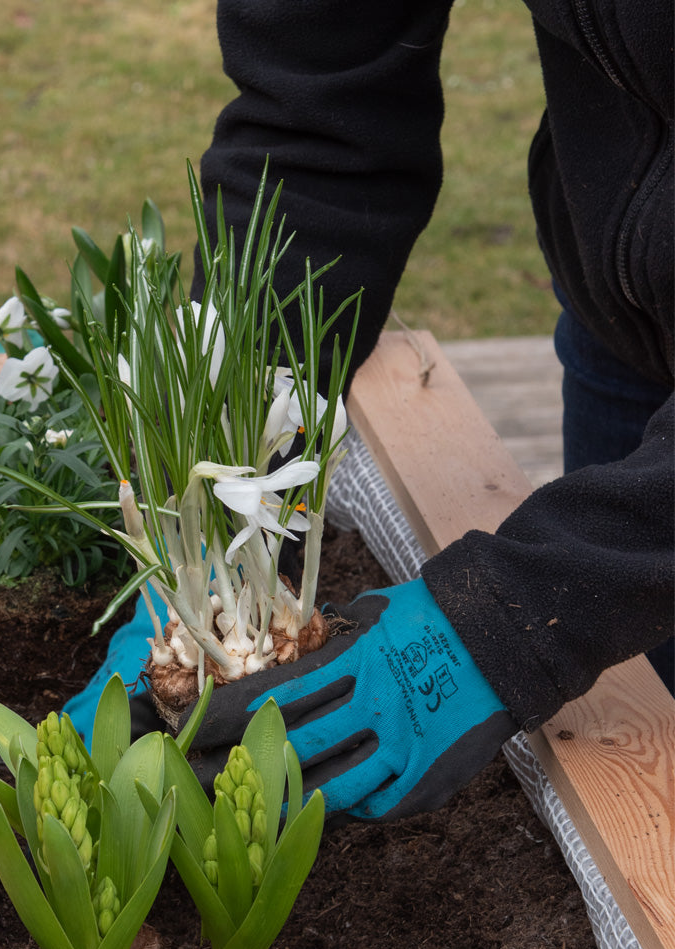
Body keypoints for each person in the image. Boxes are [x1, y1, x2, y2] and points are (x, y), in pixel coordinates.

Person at [70, 0, 673, 822]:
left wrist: (516, 618)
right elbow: (321, 124)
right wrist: (211, 519)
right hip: (633, 314)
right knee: (646, 721)